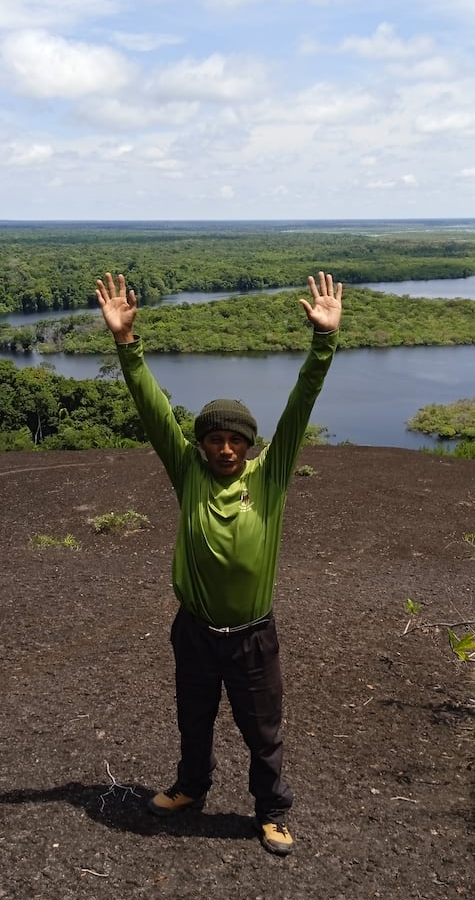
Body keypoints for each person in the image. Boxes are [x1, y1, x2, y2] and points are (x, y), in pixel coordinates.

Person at [95, 270, 342, 856]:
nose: (225, 448)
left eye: (235, 440)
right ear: (201, 444)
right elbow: (153, 408)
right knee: (194, 717)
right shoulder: (188, 473)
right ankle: (190, 787)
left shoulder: (271, 475)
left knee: (263, 731)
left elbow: (300, 405)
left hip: (253, 635)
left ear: (250, 444)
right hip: (197, 631)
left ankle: (272, 812)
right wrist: (126, 346)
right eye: (215, 440)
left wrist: (323, 342)